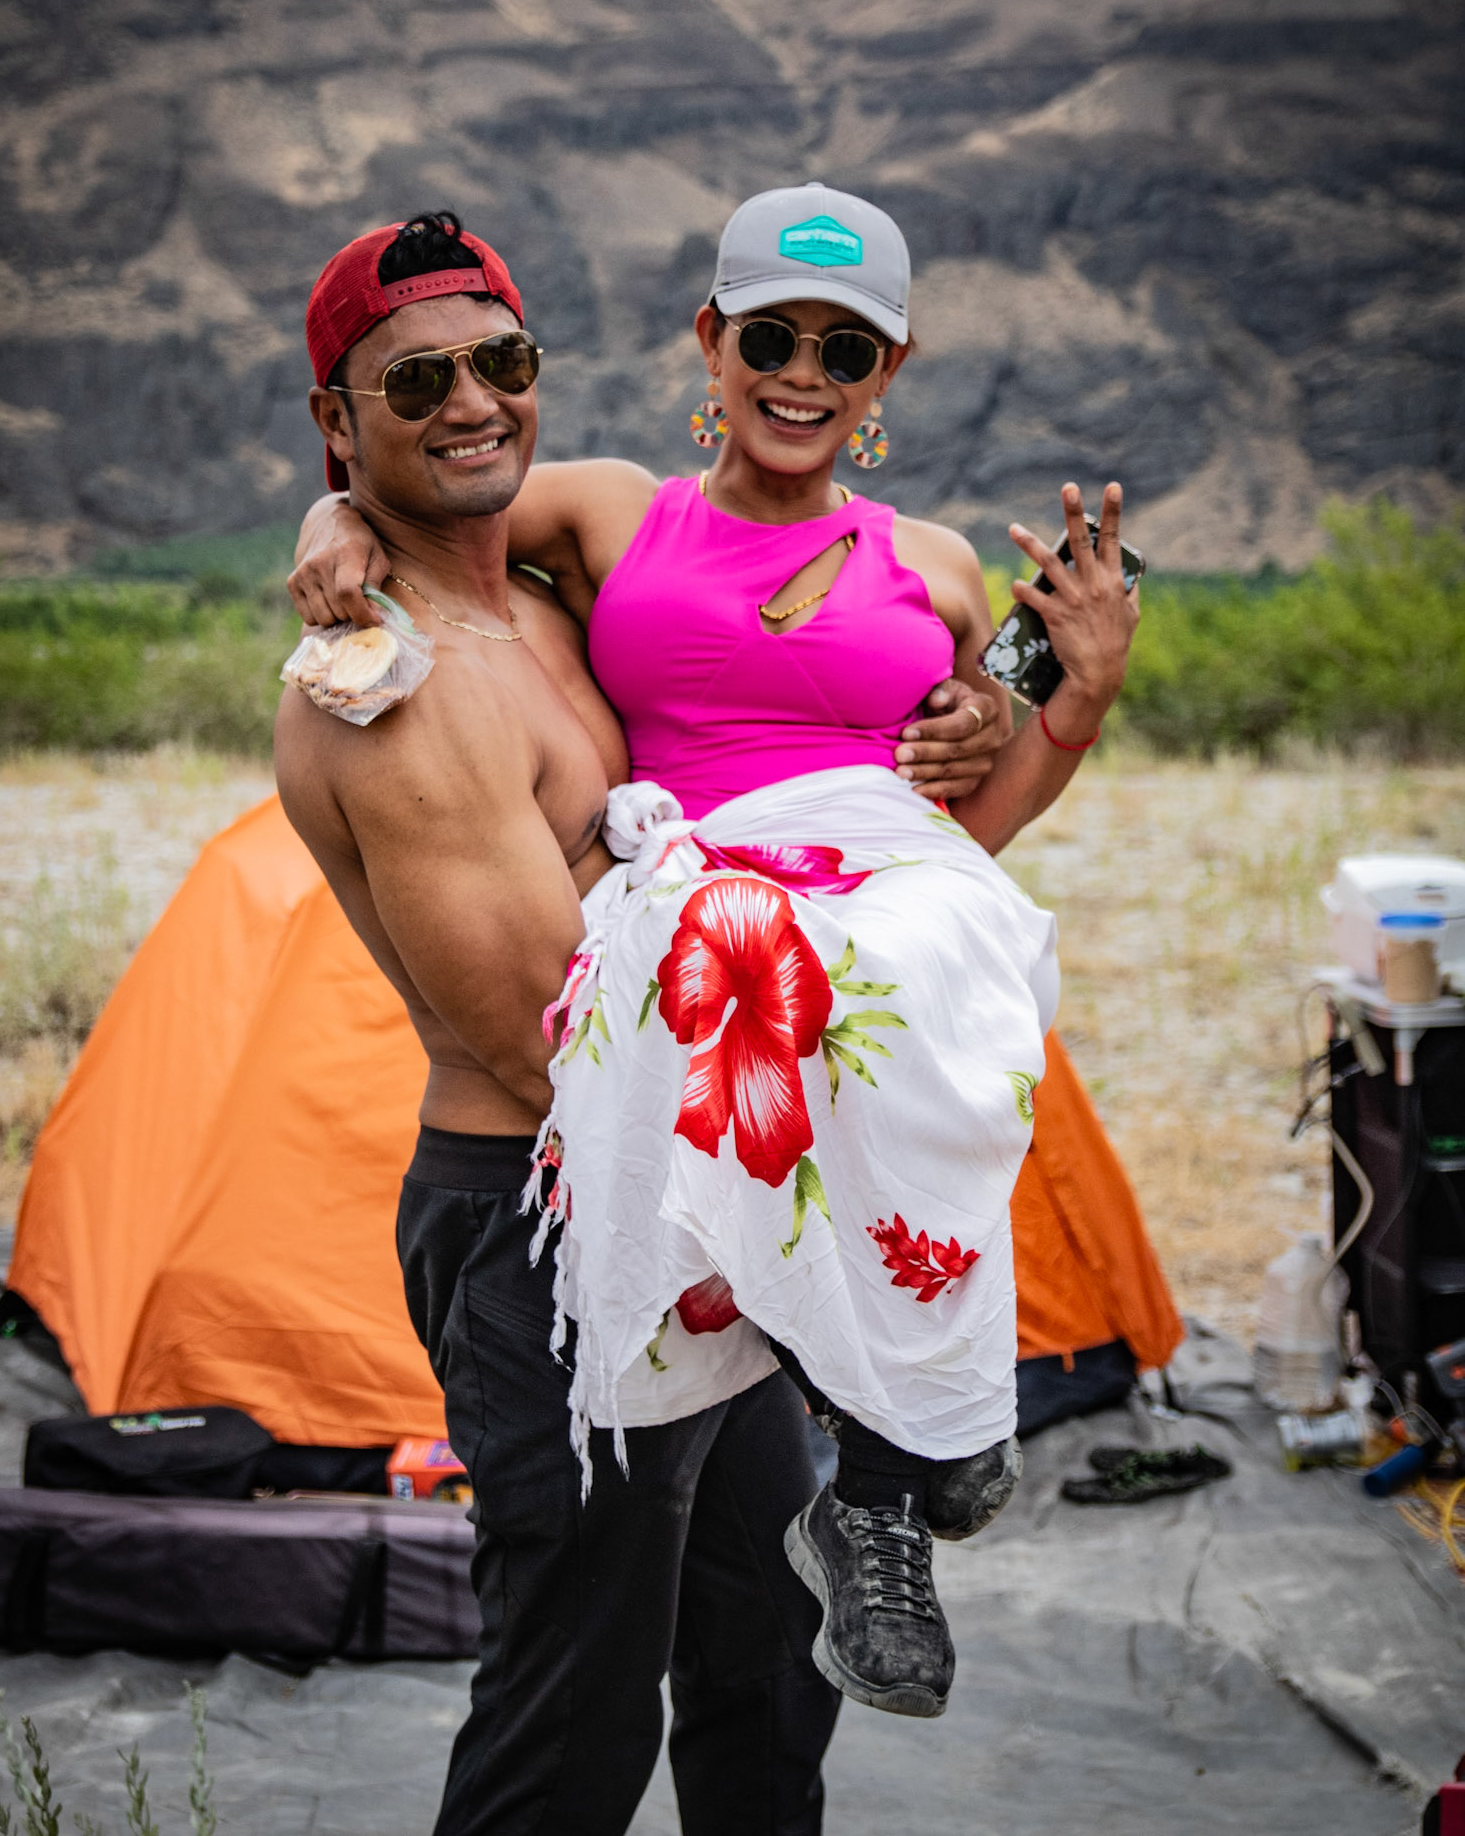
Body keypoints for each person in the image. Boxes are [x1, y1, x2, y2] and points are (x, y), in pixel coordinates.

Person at [290, 184, 1140, 1723]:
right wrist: (329, 514)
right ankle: (900, 1444)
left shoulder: (937, 571)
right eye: (772, 337)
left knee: (964, 991)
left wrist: (1061, 704)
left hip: (817, 966)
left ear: (889, 372)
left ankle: (888, 1466)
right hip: (652, 1024)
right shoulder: (607, 519)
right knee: (580, 1690)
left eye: (846, 348)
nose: (804, 372)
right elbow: (424, 503)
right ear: (713, 341)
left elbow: (954, 829)